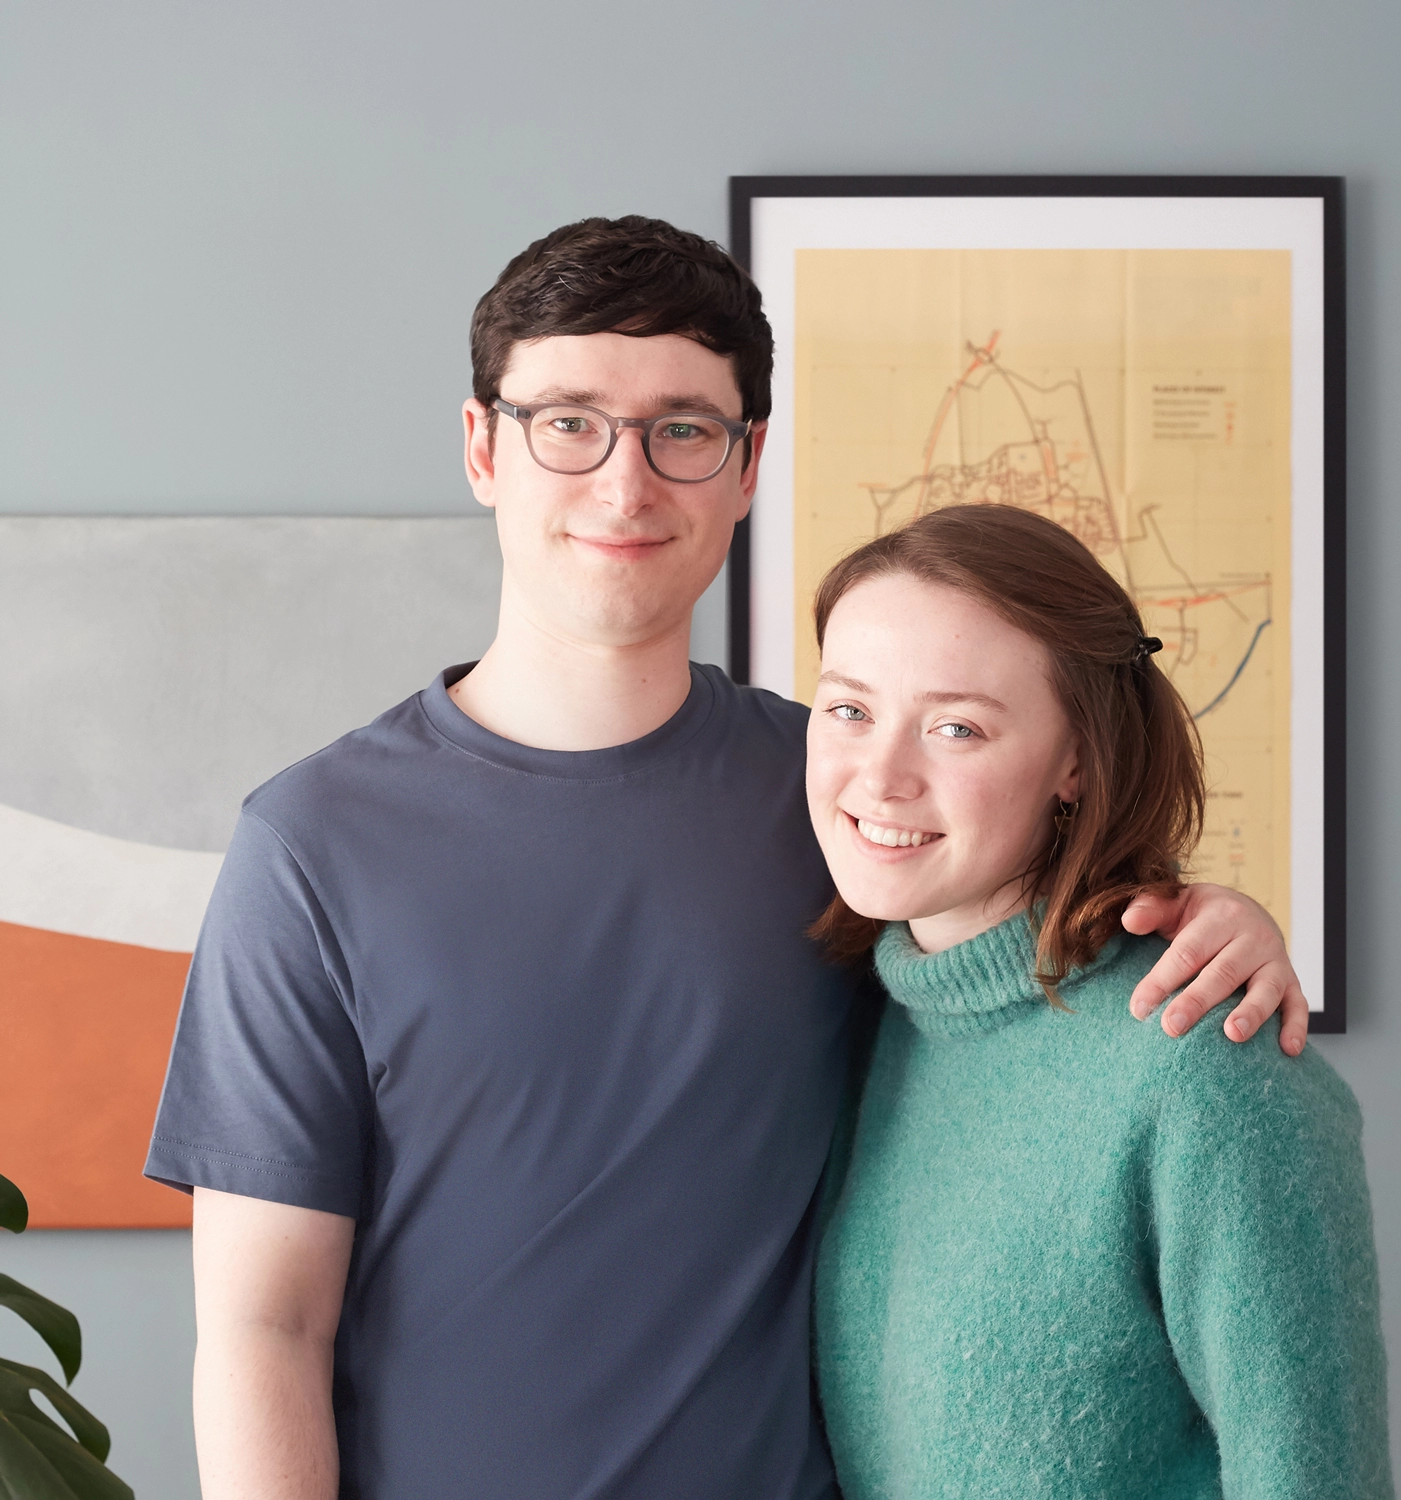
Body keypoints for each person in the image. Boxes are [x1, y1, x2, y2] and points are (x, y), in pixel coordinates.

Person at [146, 217, 1310, 1500]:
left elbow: (1045, 978)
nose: (625, 483)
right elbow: (265, 1328)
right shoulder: (310, 847)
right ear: (483, 447)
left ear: (748, 464)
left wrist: (1216, 914)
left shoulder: (849, 802)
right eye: (569, 422)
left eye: (682, 430)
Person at [807, 503, 1391, 1499]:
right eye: (849, 709)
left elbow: (1315, 1476)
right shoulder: (847, 1021)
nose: (881, 776)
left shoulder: (1203, 1060)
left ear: (1075, 761)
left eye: (956, 727)